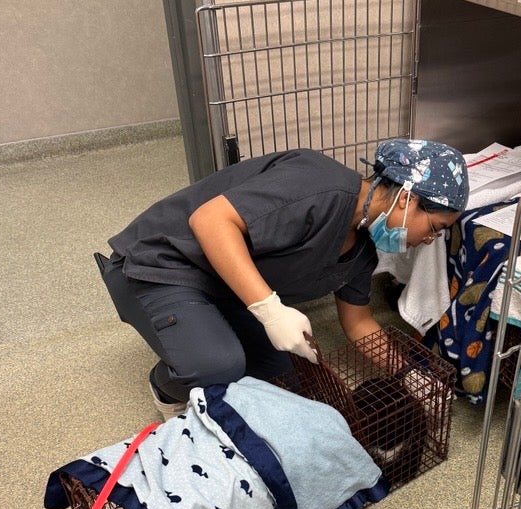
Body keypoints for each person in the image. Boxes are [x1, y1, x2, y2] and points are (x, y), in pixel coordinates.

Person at [98, 137, 469, 417]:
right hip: (161, 265)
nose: (429, 240)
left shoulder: (363, 248)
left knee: (291, 380)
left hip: (224, 288)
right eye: (434, 227)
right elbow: (209, 220)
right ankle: (167, 386)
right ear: (407, 199)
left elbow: (359, 323)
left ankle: (207, 340)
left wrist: (409, 375)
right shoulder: (318, 184)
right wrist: (271, 311)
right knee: (219, 365)